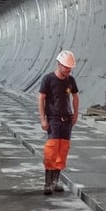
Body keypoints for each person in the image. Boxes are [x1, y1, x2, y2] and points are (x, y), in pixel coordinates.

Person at [38, 50, 79, 194]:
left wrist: (75, 114)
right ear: (59, 64)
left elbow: (75, 97)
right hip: (53, 119)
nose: (68, 70)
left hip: (66, 120)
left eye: (70, 68)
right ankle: (48, 183)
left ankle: (56, 181)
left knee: (63, 150)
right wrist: (43, 119)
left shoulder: (71, 80)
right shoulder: (48, 79)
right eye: (66, 67)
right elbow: (41, 99)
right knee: (52, 149)